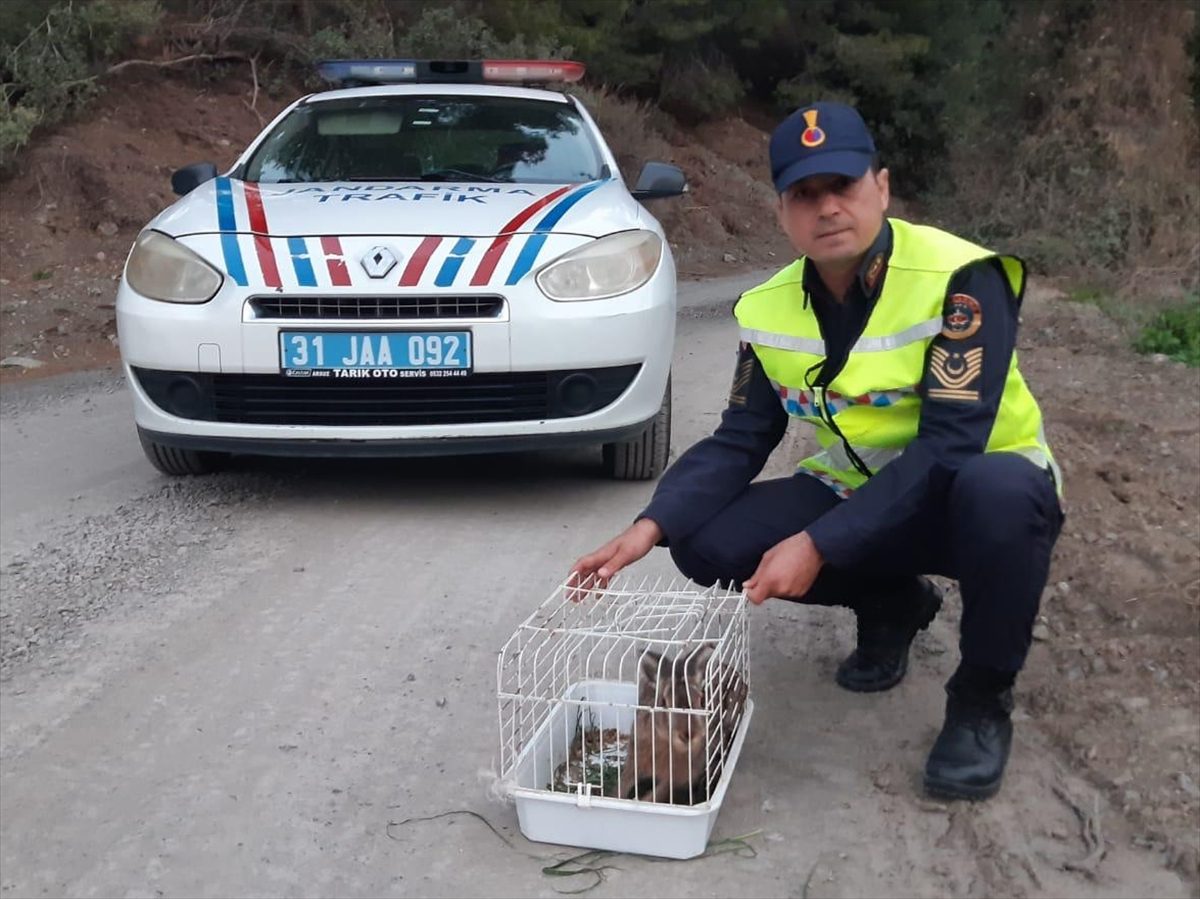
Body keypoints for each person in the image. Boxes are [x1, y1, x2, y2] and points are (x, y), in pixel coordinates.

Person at [567, 101, 1065, 801]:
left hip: (970, 497)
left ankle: (981, 699)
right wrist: (648, 525)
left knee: (1000, 493)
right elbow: (741, 436)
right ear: (782, 212)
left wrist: (819, 543)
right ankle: (893, 604)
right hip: (863, 494)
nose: (827, 208)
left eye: (844, 186)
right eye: (806, 194)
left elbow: (951, 446)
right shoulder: (767, 308)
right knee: (702, 539)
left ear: (882, 188)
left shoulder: (961, 279)